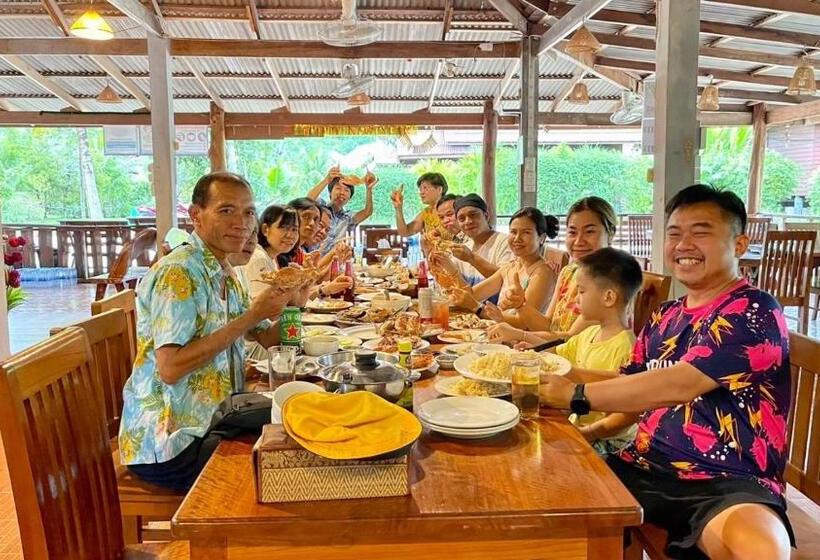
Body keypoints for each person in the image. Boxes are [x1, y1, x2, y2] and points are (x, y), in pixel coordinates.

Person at [540, 184, 794, 560]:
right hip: (643, 465)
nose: (684, 244)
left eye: (701, 232)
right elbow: (632, 383)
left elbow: (680, 383)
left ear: (740, 244)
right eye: (675, 234)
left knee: (759, 548)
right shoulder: (666, 314)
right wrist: (584, 418)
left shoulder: (753, 310)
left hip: (723, 481)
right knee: (536, 488)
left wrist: (577, 395)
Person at [118, 172, 305, 491]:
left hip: (218, 415)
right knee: (287, 469)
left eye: (248, 212)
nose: (241, 222)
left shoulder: (225, 271)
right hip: (172, 442)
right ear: (196, 216)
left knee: (301, 412)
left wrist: (293, 299)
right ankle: (238, 538)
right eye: (226, 210)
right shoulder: (178, 273)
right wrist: (253, 315)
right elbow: (170, 367)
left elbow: (265, 336)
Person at [551, 247, 643, 455]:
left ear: (608, 297)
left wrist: (588, 433)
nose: (576, 299)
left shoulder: (625, 347)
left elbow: (624, 415)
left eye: (582, 291)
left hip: (607, 441)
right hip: (578, 423)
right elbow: (557, 358)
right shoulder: (590, 332)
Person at [489, 196, 617, 343]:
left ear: (611, 233)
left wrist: (519, 335)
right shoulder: (568, 272)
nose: (578, 241)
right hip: (554, 355)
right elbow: (548, 325)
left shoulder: (611, 281)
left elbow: (570, 339)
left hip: (582, 362)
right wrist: (521, 306)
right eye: (572, 232)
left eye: (589, 232)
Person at [448, 207, 558, 326]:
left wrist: (479, 309)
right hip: (501, 333)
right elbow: (471, 295)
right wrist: (447, 265)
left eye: (526, 232)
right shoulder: (510, 267)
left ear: (542, 238)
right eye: (513, 232)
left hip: (524, 341)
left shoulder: (543, 272)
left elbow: (524, 323)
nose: (517, 239)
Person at [429, 194, 512, 290]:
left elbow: (507, 279)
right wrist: (439, 264)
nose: (468, 221)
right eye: (461, 219)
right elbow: (456, 287)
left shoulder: (505, 242)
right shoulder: (465, 247)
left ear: (486, 216)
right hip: (471, 304)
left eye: (473, 215)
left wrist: (472, 258)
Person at [306, 166, 378, 254]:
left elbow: (367, 212)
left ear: (350, 198)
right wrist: (326, 180)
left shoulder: (348, 217)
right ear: (330, 192)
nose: (342, 193)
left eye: (347, 190)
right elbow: (307, 200)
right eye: (338, 188)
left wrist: (369, 189)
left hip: (333, 262)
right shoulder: (320, 207)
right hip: (309, 258)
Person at [391, 172, 446, 236]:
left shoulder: (452, 208)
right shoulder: (426, 213)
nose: (421, 193)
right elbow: (405, 232)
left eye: (425, 188)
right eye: (420, 189)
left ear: (439, 189)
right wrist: (398, 208)